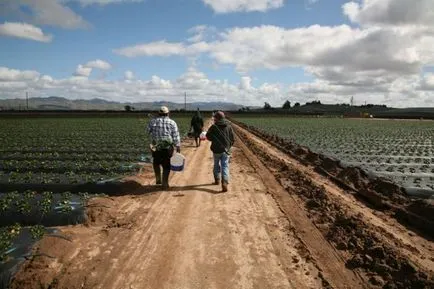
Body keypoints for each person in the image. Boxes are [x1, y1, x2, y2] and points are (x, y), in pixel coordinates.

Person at [147, 106, 181, 189]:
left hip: (156, 147)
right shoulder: (172, 122)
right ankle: (165, 183)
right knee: (166, 165)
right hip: (167, 148)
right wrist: (178, 146)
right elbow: (175, 135)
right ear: (168, 113)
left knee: (156, 162)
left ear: (159, 113)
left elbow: (147, 131)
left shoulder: (153, 121)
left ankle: (158, 179)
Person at [206, 111, 235, 192]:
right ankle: (225, 182)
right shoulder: (228, 126)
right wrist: (228, 147)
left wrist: (214, 139)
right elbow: (232, 139)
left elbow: (208, 137)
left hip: (216, 150)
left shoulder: (213, 127)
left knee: (216, 164)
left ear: (216, 118)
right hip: (226, 150)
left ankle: (217, 179)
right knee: (225, 165)